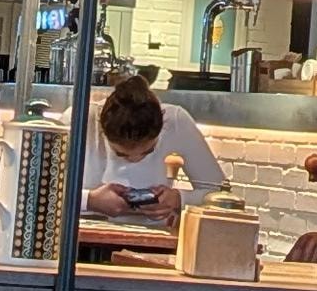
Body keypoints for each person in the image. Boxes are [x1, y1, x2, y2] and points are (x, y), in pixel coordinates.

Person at [82, 71, 226, 216]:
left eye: (148, 151)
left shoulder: (176, 121)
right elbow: (64, 194)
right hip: (85, 228)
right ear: (102, 130)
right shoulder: (82, 119)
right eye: (120, 154)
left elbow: (221, 195)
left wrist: (179, 199)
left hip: (155, 229)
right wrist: (90, 200)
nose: (134, 159)